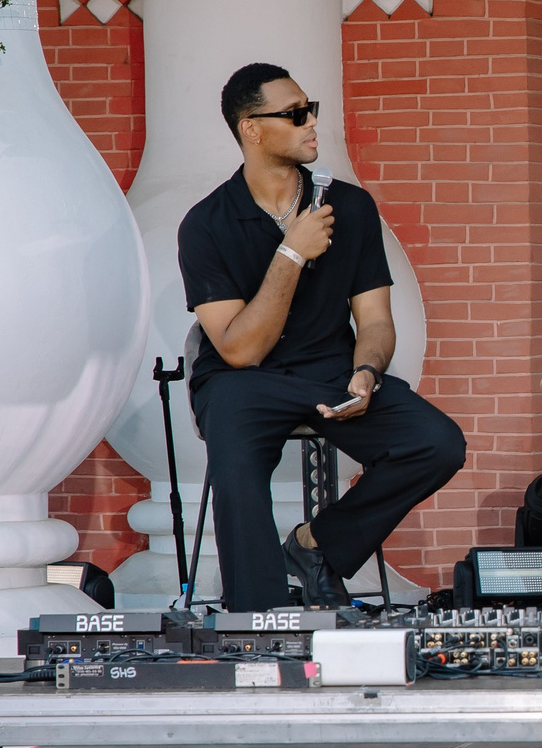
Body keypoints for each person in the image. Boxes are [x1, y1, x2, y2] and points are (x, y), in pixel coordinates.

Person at [178, 63, 466, 612]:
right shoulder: (206, 224)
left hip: (330, 371)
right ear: (251, 129)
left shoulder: (350, 207)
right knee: (234, 445)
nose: (312, 122)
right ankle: (256, 616)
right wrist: (291, 252)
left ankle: (317, 546)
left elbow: (376, 320)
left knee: (437, 443)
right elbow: (240, 349)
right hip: (244, 379)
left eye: (311, 109)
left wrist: (368, 372)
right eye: (295, 114)